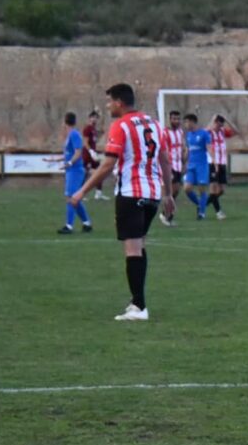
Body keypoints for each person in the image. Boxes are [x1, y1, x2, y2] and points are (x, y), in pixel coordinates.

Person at [69, 84, 174, 322]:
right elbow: (165, 161)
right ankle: (137, 302)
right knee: (140, 245)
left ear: (119, 102)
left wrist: (81, 191)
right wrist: (167, 194)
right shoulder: (155, 125)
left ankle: (139, 307)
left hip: (130, 193)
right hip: (153, 193)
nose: (107, 107)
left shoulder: (121, 126)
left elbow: (107, 164)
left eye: (109, 102)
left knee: (132, 249)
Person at [56, 112, 92, 235]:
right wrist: (55, 160)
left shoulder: (74, 134)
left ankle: (69, 226)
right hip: (71, 170)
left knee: (71, 198)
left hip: (75, 171)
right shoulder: (70, 135)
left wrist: (70, 163)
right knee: (74, 199)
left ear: (64, 123)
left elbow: (78, 152)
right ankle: (86, 223)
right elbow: (69, 154)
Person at [182, 114, 212, 220]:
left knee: (201, 190)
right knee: (187, 188)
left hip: (202, 166)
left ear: (192, 122)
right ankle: (200, 204)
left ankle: (202, 213)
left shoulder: (204, 134)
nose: (185, 124)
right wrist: (184, 162)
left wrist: (212, 162)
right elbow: (188, 150)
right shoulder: (189, 135)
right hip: (191, 166)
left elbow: (209, 148)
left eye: (187, 122)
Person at [206, 114, 236, 219]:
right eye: (218, 124)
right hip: (212, 163)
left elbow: (235, 131)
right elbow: (205, 131)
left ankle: (203, 204)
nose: (220, 127)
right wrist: (212, 119)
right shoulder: (209, 132)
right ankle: (218, 212)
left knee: (222, 190)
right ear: (215, 123)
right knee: (213, 188)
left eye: (221, 124)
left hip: (222, 163)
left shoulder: (223, 132)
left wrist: (228, 120)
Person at [161, 109, 186, 226]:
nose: (176, 121)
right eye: (174, 119)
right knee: (169, 192)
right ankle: (166, 216)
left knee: (176, 191)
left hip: (178, 165)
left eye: (178, 119)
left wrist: (184, 159)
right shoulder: (165, 132)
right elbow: (163, 150)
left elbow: (182, 147)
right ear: (170, 120)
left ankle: (166, 214)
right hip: (169, 165)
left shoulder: (180, 132)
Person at [81, 112, 106, 201]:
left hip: (94, 154)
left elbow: (95, 139)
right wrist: (91, 151)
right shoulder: (87, 128)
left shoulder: (93, 129)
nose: (95, 119)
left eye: (96, 118)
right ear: (89, 118)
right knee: (85, 173)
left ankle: (98, 194)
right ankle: (81, 193)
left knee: (100, 172)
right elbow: (85, 142)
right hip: (87, 154)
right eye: (93, 117)